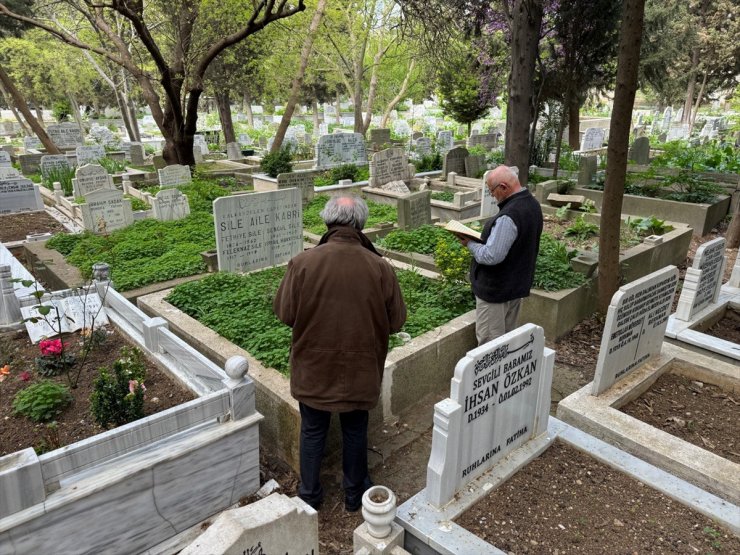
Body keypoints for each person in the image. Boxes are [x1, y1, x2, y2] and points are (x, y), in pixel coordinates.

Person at [273, 195, 407, 512]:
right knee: (355, 429)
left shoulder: (303, 263)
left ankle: (308, 496)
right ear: (360, 225)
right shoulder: (379, 267)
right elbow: (397, 321)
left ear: (327, 222)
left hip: (313, 368)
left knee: (313, 429)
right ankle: (352, 494)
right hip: (361, 369)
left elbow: (284, 314)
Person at [454, 165, 543, 345]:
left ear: (503, 187)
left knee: (491, 347)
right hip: (515, 286)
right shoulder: (532, 204)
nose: (493, 196)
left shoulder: (508, 216)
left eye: (492, 191)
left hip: (496, 291)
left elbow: (491, 256)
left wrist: (469, 243)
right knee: (506, 341)